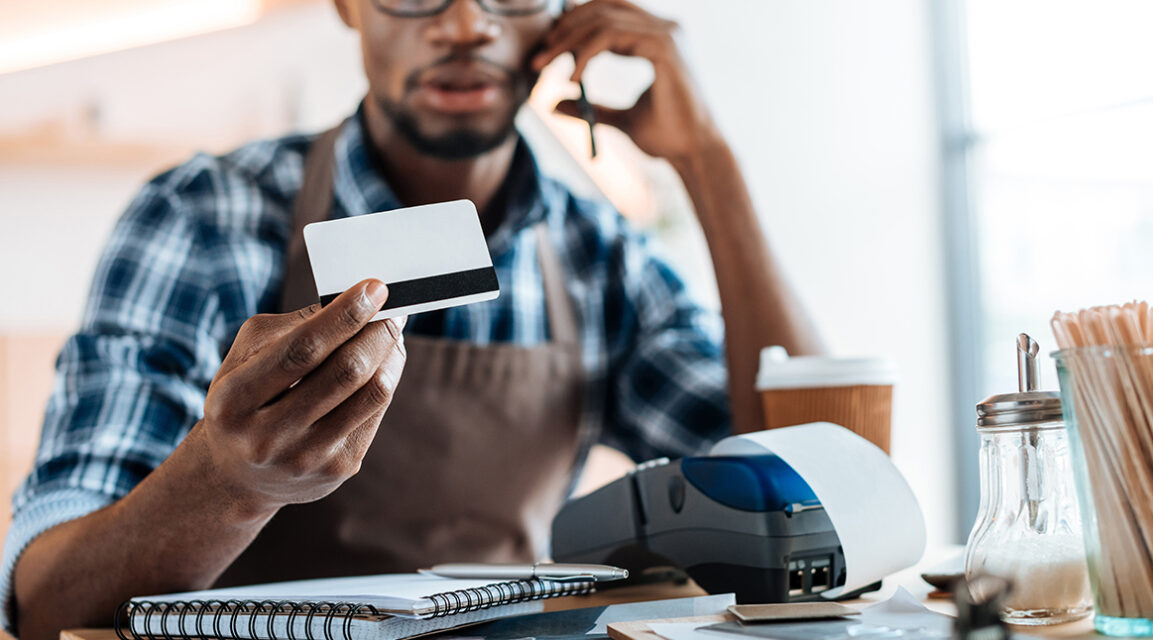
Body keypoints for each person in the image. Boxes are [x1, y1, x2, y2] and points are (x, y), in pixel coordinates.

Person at [2, 0, 821, 638]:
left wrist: (708, 162)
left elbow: (815, 490)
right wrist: (228, 481)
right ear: (344, 5)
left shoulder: (598, 253)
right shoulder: (204, 218)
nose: (466, 24)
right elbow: (46, 608)